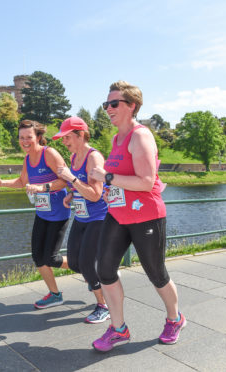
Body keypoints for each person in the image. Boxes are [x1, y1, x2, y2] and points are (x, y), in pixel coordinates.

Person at [90, 81, 185, 352]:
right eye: (106, 104)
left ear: (131, 106)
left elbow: (146, 181)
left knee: (156, 273)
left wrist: (107, 176)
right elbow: (120, 177)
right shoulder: (116, 139)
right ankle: (118, 328)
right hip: (118, 214)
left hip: (146, 216)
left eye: (114, 103)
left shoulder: (140, 136)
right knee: (104, 269)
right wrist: (109, 189)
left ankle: (175, 319)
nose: (108, 108)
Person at [0, 119, 70, 309]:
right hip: (42, 213)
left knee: (51, 258)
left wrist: (42, 188)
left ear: (38, 137)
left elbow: (66, 179)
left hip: (59, 213)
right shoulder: (28, 159)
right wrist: (3, 183)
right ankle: (55, 294)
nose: (25, 141)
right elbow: (22, 181)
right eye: (21, 138)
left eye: (29, 137)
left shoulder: (49, 153)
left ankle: (87, 265)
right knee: (38, 257)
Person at [52, 116, 110, 324]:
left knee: (86, 264)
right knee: (75, 262)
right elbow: (80, 188)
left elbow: (95, 194)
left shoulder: (93, 158)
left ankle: (104, 305)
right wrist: (71, 194)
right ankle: (102, 279)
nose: (64, 142)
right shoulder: (75, 157)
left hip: (99, 218)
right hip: (82, 216)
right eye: (63, 138)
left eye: (67, 137)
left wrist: (71, 179)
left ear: (80, 135)